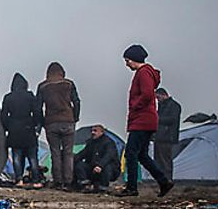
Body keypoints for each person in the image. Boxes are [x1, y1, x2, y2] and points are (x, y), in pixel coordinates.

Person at [116, 45, 175, 197]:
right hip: (146, 120)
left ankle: (131, 188)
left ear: (134, 59)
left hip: (142, 120)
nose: (126, 64)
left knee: (131, 153)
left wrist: (135, 106)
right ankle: (164, 182)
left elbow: (147, 94)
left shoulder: (143, 73)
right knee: (142, 155)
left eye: (127, 60)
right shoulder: (146, 73)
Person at [36, 62, 81, 189]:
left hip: (51, 122)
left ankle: (58, 181)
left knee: (55, 152)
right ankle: (68, 181)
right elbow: (76, 101)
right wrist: (75, 117)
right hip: (68, 121)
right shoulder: (69, 84)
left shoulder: (43, 86)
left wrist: (42, 122)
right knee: (68, 152)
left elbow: (38, 107)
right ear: (62, 72)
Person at [1, 73, 40, 186]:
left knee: (17, 156)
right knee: (32, 156)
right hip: (28, 128)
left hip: (14, 129)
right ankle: (36, 180)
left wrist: (8, 126)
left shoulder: (8, 97)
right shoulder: (30, 96)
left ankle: (19, 179)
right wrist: (34, 124)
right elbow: (37, 112)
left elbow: (3, 115)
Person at [73, 124, 120, 192]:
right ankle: (85, 184)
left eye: (95, 131)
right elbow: (82, 154)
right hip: (92, 168)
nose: (92, 133)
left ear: (101, 132)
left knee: (107, 166)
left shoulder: (109, 142)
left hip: (108, 170)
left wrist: (100, 165)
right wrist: (71, 160)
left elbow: (109, 156)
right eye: (92, 131)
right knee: (79, 164)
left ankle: (103, 186)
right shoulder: (90, 142)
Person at [155, 87, 182, 181]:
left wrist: (157, 119)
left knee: (165, 160)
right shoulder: (162, 106)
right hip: (159, 137)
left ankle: (168, 179)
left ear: (164, 95)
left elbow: (172, 119)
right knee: (158, 160)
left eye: (158, 97)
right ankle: (162, 179)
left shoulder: (174, 106)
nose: (158, 100)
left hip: (167, 137)